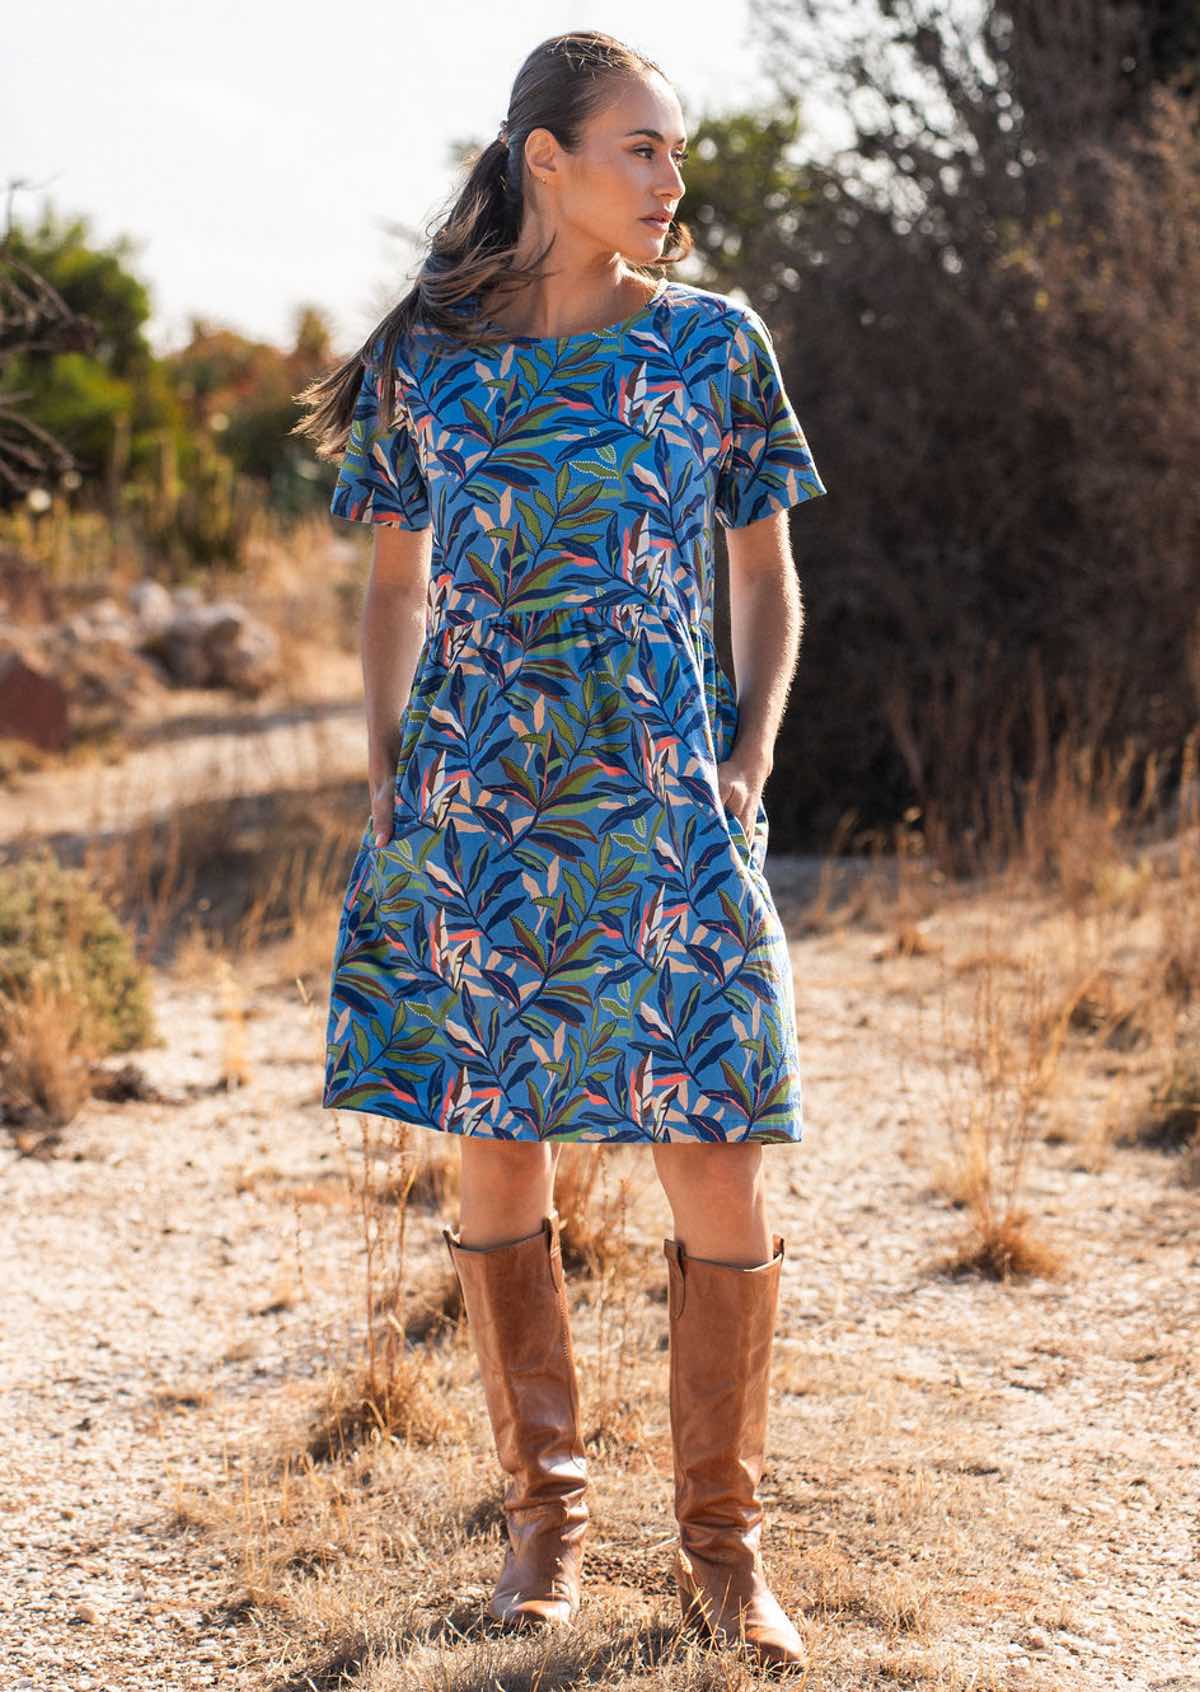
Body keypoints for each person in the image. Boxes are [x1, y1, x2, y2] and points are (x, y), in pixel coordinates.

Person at [293, 27, 827, 1673]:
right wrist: (388, 774)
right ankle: (546, 1528)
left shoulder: (713, 347)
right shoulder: (431, 356)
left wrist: (748, 758)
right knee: (497, 1141)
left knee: (717, 1142)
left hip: (666, 796)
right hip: (480, 801)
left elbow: (766, 580)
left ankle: (725, 1551)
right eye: (641, 147)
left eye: (676, 150)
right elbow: (393, 585)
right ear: (549, 158)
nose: (671, 179)